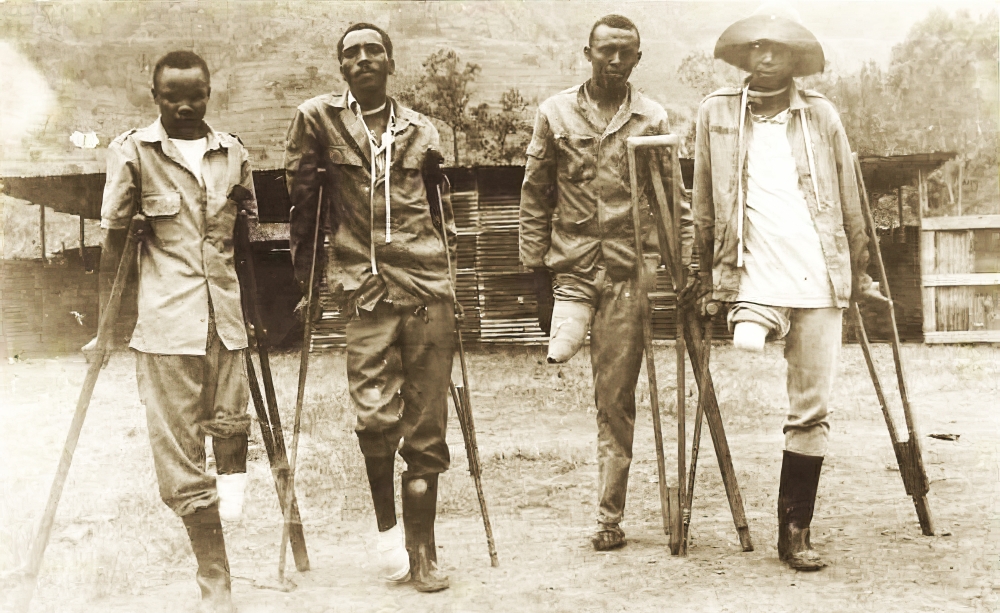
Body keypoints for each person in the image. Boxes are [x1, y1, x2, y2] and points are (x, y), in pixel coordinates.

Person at [693, 4, 886, 571]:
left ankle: (794, 531)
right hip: (751, 270)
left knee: (811, 410)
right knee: (749, 337)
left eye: (778, 49)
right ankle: (750, 312)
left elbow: (850, 198)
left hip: (819, 276)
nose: (768, 56)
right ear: (745, 56)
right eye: (757, 47)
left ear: (796, 59)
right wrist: (704, 276)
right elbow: (702, 199)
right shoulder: (716, 113)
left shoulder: (821, 115)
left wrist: (862, 269)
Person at [284, 23, 457, 592]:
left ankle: (423, 550)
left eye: (373, 50)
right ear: (341, 67)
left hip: (427, 287)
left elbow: (441, 213)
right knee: (375, 419)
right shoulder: (319, 119)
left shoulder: (421, 128)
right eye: (350, 52)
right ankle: (388, 536)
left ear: (390, 60)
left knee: (427, 424)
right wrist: (306, 283)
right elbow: (304, 206)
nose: (362, 59)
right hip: (364, 288)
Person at [520, 14, 692, 552]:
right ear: (587, 52)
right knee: (561, 351)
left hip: (625, 273)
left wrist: (684, 269)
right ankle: (565, 325)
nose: (614, 62)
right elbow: (534, 196)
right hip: (571, 267)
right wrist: (535, 279)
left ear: (637, 59)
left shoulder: (652, 116)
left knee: (614, 399)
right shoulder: (554, 114)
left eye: (626, 54)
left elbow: (674, 202)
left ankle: (608, 517)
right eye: (605, 52)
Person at [93, 50, 256, 612]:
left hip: (225, 323)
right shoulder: (133, 152)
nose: (185, 106)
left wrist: (252, 308)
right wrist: (103, 329)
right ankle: (216, 579)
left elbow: (245, 237)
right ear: (155, 95)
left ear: (209, 92)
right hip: (165, 328)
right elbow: (114, 242)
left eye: (196, 95)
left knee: (233, 428)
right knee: (182, 460)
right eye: (172, 96)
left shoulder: (232, 151)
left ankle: (229, 499)